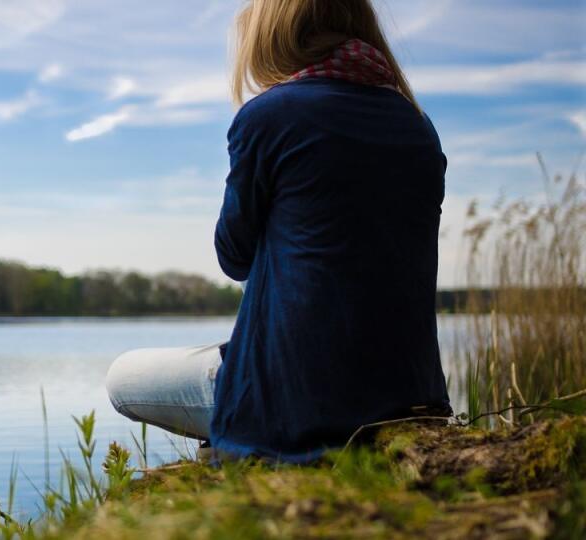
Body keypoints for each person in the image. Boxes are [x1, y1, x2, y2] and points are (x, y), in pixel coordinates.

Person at [106, 0, 452, 463]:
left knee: (122, 376)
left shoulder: (272, 114)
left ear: (277, 33)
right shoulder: (418, 125)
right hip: (409, 393)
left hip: (300, 398)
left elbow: (233, 256)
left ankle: (242, 440)